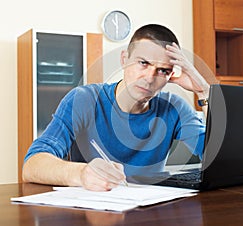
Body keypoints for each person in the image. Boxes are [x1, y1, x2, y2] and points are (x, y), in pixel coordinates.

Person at [22, 24, 210, 191]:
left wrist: (204, 92)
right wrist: (81, 173)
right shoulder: (84, 100)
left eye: (163, 71)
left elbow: (219, 157)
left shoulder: (174, 108)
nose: (150, 77)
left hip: (151, 211)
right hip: (95, 213)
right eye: (143, 63)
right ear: (124, 59)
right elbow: (32, 165)